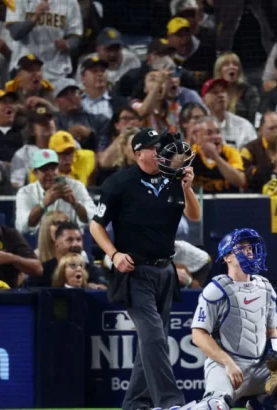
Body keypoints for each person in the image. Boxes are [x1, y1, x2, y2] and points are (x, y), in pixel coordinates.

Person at [90, 128, 201, 410]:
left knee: (155, 340)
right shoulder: (120, 182)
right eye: (154, 148)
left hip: (166, 271)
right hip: (134, 271)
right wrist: (113, 254)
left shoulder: (174, 179)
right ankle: (171, 402)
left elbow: (195, 215)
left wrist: (188, 187)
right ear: (139, 153)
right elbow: (96, 224)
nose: (161, 152)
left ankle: (135, 404)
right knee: (153, 336)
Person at [183, 228, 277, 410]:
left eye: (250, 248)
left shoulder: (264, 286)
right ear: (227, 257)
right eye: (241, 247)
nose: (249, 251)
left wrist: (276, 355)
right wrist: (227, 363)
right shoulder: (217, 288)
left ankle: (264, 404)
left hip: (261, 366)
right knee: (215, 406)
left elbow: (272, 331)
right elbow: (198, 335)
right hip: (226, 368)